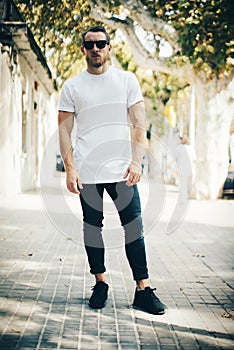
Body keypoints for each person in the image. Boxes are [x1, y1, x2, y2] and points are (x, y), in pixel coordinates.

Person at [58, 25, 165, 315]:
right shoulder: (72, 86)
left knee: (134, 230)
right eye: (89, 45)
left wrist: (136, 161)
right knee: (93, 229)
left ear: (109, 48)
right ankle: (100, 282)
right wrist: (70, 169)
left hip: (122, 172)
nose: (95, 49)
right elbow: (65, 131)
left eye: (100, 44)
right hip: (88, 172)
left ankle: (143, 289)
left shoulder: (127, 80)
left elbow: (139, 122)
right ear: (82, 50)